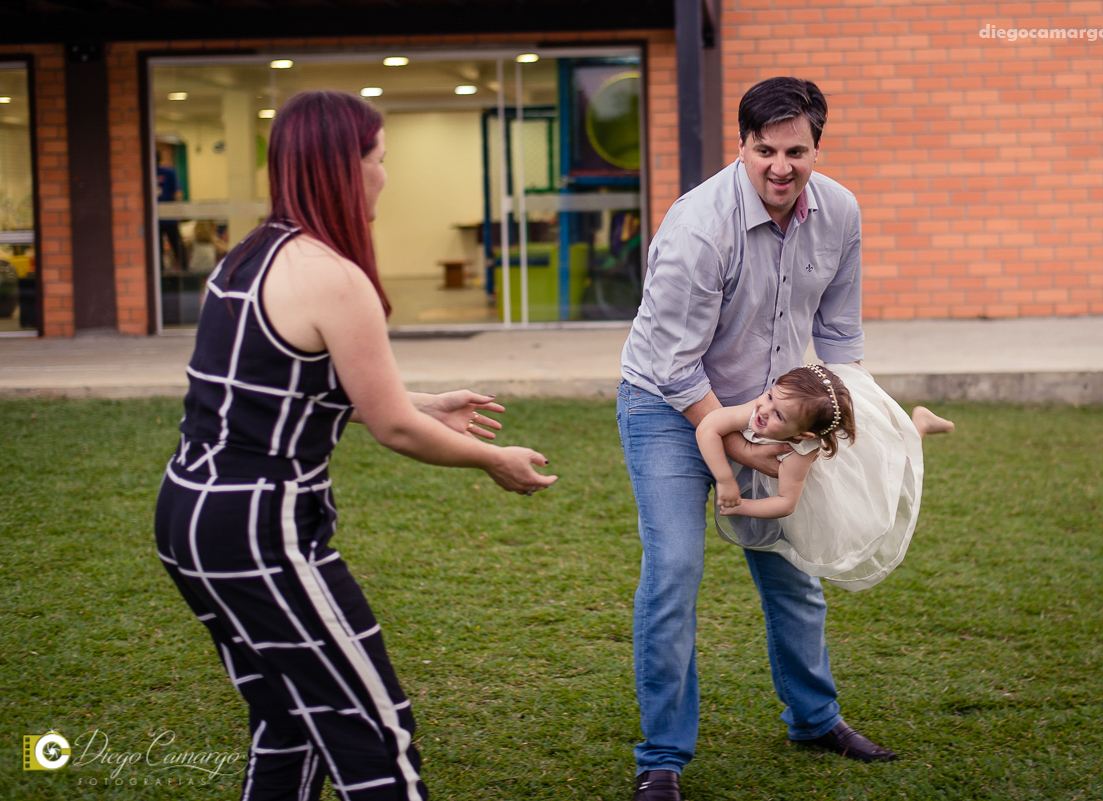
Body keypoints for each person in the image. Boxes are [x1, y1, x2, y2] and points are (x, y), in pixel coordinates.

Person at [154, 90, 556, 801]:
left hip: (187, 517)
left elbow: (289, 390)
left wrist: (424, 402)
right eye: (378, 158)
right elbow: (394, 427)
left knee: (289, 721)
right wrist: (494, 459)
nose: (385, 175)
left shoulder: (243, 259)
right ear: (344, 167)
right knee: (371, 728)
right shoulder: (336, 278)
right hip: (258, 530)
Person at [617, 77, 891, 801]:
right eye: (763, 149)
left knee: (794, 570)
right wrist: (739, 451)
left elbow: (838, 336)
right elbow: (675, 365)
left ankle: (815, 718)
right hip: (666, 406)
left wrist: (832, 429)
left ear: (815, 149)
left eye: (795, 151)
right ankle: (663, 757)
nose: (780, 166)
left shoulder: (840, 212)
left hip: (776, 406)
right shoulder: (697, 225)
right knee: (674, 569)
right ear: (742, 146)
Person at [697, 363, 953, 590]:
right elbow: (709, 427)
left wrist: (743, 506)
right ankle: (915, 425)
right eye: (770, 396)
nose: (764, 410)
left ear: (802, 436)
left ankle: (919, 424)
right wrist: (725, 480)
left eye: (779, 415)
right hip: (827, 446)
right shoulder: (761, 408)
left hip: (835, 473)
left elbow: (786, 502)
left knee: (891, 474)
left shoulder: (797, 453)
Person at [156, 150, 188, 271]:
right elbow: (178, 194)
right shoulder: (168, 172)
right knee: (176, 246)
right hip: (164, 217)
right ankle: (184, 270)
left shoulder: (166, 172)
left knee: (169, 246)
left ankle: (162, 271)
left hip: (166, 216)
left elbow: (177, 193)